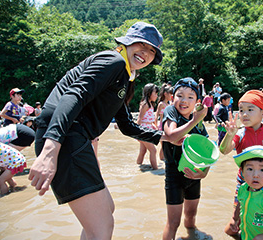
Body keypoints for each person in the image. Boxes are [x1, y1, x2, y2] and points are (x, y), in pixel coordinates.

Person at [28, 22, 171, 239]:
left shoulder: (125, 76)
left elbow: (126, 125)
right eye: (141, 44)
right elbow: (74, 95)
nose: (145, 53)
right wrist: (50, 150)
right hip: (64, 136)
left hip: (74, 139)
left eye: (152, 51)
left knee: (106, 213)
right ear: (127, 42)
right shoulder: (113, 61)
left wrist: (165, 137)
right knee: (102, 227)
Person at [219, 90, 263, 236]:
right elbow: (224, 150)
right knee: (236, 218)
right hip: (243, 182)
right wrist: (229, 135)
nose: (244, 114)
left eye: (250, 110)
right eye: (241, 110)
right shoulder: (240, 134)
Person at [161, 77, 209, 240]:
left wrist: (204, 173)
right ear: (172, 97)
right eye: (179, 95)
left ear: (197, 102)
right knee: (173, 222)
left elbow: (208, 150)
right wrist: (194, 120)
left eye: (190, 97)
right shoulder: (171, 112)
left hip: (194, 175)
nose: (184, 100)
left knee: (190, 218)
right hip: (174, 175)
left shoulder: (199, 120)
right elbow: (171, 134)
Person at [0, 128, 27, 195]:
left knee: (1, 181)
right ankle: (14, 189)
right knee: (7, 178)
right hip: (17, 161)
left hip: (16, 163)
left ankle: (4, 196)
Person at [136, 83, 159, 170]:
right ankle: (156, 169)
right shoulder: (145, 104)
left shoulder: (150, 104)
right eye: (155, 93)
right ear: (149, 93)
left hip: (147, 129)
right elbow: (139, 119)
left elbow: (148, 119)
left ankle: (138, 166)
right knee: (153, 150)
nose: (157, 96)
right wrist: (137, 133)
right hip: (143, 130)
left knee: (143, 151)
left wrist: (154, 126)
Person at [155, 84, 173, 161]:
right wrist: (155, 126)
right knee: (163, 146)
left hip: (167, 126)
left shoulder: (169, 104)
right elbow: (156, 115)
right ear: (165, 94)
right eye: (170, 94)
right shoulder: (161, 104)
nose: (171, 95)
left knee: (167, 145)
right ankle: (162, 160)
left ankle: (164, 160)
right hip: (161, 126)